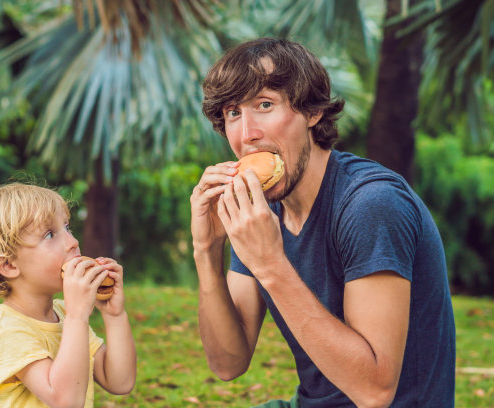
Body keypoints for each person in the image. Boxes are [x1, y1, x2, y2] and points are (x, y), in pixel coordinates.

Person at [190, 38, 455, 407]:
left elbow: (375, 391)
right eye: (234, 113)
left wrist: (270, 264)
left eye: (264, 105)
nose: (246, 133)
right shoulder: (262, 214)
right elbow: (227, 363)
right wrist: (206, 250)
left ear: (313, 112)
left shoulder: (371, 204)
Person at [0, 182, 136, 407]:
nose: (73, 242)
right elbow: (66, 402)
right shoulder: (7, 332)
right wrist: (77, 316)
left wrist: (115, 316)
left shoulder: (63, 313)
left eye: (67, 228)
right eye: (50, 234)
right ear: (9, 264)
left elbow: (120, 381)